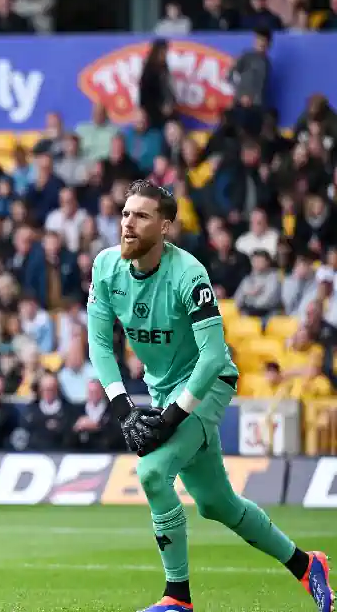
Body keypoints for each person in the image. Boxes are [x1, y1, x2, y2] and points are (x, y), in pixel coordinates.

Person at [87, 180, 333, 612]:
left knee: (151, 473)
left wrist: (169, 419)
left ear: (165, 227)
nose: (128, 223)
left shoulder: (189, 274)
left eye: (141, 216)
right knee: (217, 504)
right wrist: (123, 406)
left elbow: (213, 355)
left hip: (209, 384)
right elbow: (100, 344)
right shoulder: (105, 268)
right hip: (163, 389)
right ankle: (306, 564)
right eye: (125, 213)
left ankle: (177, 597)